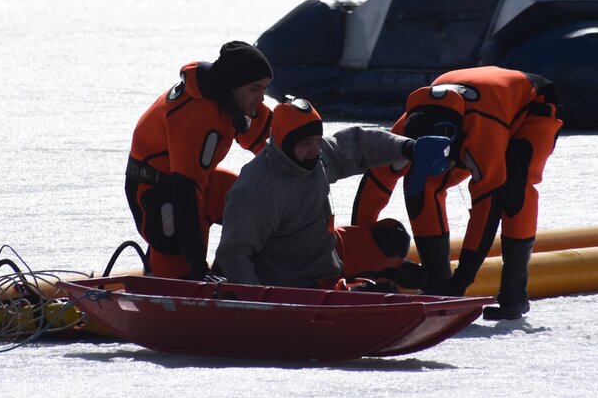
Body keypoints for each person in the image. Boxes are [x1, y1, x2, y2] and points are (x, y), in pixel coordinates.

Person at [351, 65, 563, 319]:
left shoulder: (482, 133)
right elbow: (375, 184)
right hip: (480, 96)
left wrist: (462, 279)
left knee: (515, 189)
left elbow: (487, 205)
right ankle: (437, 277)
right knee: (423, 183)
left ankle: (515, 293)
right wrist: (363, 256)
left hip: (531, 103)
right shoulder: (403, 132)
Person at [214, 95, 451, 290]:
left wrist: (409, 147)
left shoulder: (317, 158)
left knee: (392, 240)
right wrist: (260, 302)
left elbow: (358, 145)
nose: (314, 150)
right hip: (289, 286)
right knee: (377, 293)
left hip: (325, 266)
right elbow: (233, 254)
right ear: (282, 142)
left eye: (317, 140)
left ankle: (383, 272)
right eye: (305, 143)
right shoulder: (257, 188)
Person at [125, 41, 274, 280]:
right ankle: (164, 273)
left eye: (264, 89)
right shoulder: (197, 114)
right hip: (156, 190)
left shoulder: (235, 99)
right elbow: (186, 191)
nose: (261, 98)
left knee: (255, 204)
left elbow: (276, 143)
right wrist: (197, 267)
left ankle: (236, 268)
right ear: (233, 84)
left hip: (195, 183)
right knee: (177, 262)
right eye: (255, 89)